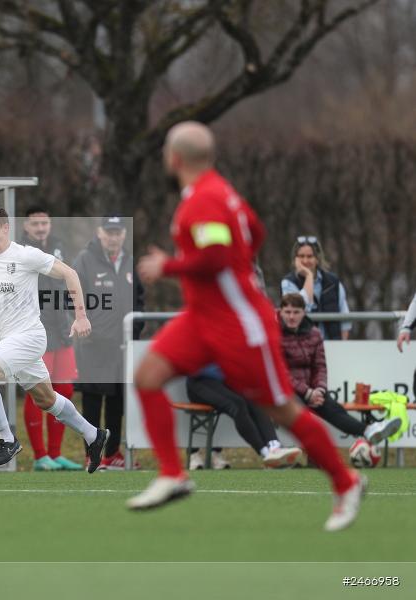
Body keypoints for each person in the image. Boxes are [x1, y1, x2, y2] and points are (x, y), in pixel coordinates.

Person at [133, 121, 364, 531]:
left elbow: (218, 255)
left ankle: (346, 482)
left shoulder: (204, 199)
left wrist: (166, 266)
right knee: (148, 376)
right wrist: (239, 269)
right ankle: (172, 474)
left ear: (174, 159)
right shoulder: (220, 191)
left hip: (239, 323)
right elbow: (255, 232)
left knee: (283, 408)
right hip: (204, 316)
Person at [0, 207, 109, 470]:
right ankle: (94, 435)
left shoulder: (26, 255)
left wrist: (81, 316)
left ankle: (7, 440)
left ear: (5, 228)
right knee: (46, 400)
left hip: (30, 336)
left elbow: (70, 274)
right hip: (11, 340)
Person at [278, 293, 400, 447]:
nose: (291, 317)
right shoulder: (274, 333)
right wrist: (308, 393)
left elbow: (320, 366)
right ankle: (286, 453)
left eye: (296, 312)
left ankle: (369, 430)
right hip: (285, 390)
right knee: (305, 418)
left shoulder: (314, 333)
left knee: (334, 409)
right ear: (280, 312)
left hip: (312, 391)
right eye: (287, 312)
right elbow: (280, 372)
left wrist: (320, 390)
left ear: (304, 312)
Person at [72, 215, 145, 469]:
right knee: (93, 401)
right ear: (100, 233)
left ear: (124, 235)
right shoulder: (85, 259)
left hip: (122, 346)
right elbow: (72, 295)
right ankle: (92, 454)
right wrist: (86, 326)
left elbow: (139, 299)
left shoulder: (129, 261)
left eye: (118, 232)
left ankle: (112, 453)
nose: (114, 237)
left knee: (117, 402)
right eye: (109, 232)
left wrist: (134, 331)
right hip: (93, 344)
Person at [20, 207, 82, 471]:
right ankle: (39, 456)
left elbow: (67, 281)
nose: (40, 227)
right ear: (26, 226)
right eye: (35, 223)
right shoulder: (20, 252)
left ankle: (56, 454)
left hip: (61, 328)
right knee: (38, 391)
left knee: (64, 390)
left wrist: (75, 314)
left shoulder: (58, 247)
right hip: (35, 330)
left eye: (44, 222)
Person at [185, 365, 301, 469]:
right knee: (237, 405)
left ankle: (275, 447)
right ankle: (266, 455)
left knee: (256, 400)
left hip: (225, 381)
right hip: (199, 383)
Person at [280, 236, 351, 340]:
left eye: (310, 256)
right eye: (301, 256)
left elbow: (345, 319)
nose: (305, 260)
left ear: (317, 259)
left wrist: (341, 346)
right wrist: (309, 276)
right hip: (302, 347)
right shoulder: (288, 283)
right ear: (295, 259)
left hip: (332, 346)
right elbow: (303, 308)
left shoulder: (333, 282)